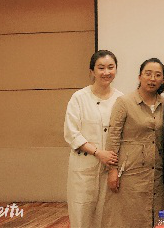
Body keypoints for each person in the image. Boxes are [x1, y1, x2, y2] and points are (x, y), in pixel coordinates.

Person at [101, 58, 164, 227]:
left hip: (156, 172)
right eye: (148, 74)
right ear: (139, 76)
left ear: (162, 80)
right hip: (130, 172)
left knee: (157, 217)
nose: (152, 79)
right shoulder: (124, 102)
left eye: (157, 75)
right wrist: (112, 170)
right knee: (128, 217)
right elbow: (113, 137)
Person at [64, 50, 124, 228]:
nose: (106, 72)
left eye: (110, 67)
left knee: (107, 218)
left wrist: (112, 165)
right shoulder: (79, 98)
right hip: (84, 167)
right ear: (92, 71)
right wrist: (98, 152)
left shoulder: (121, 99)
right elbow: (72, 133)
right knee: (81, 216)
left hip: (110, 168)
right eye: (101, 68)